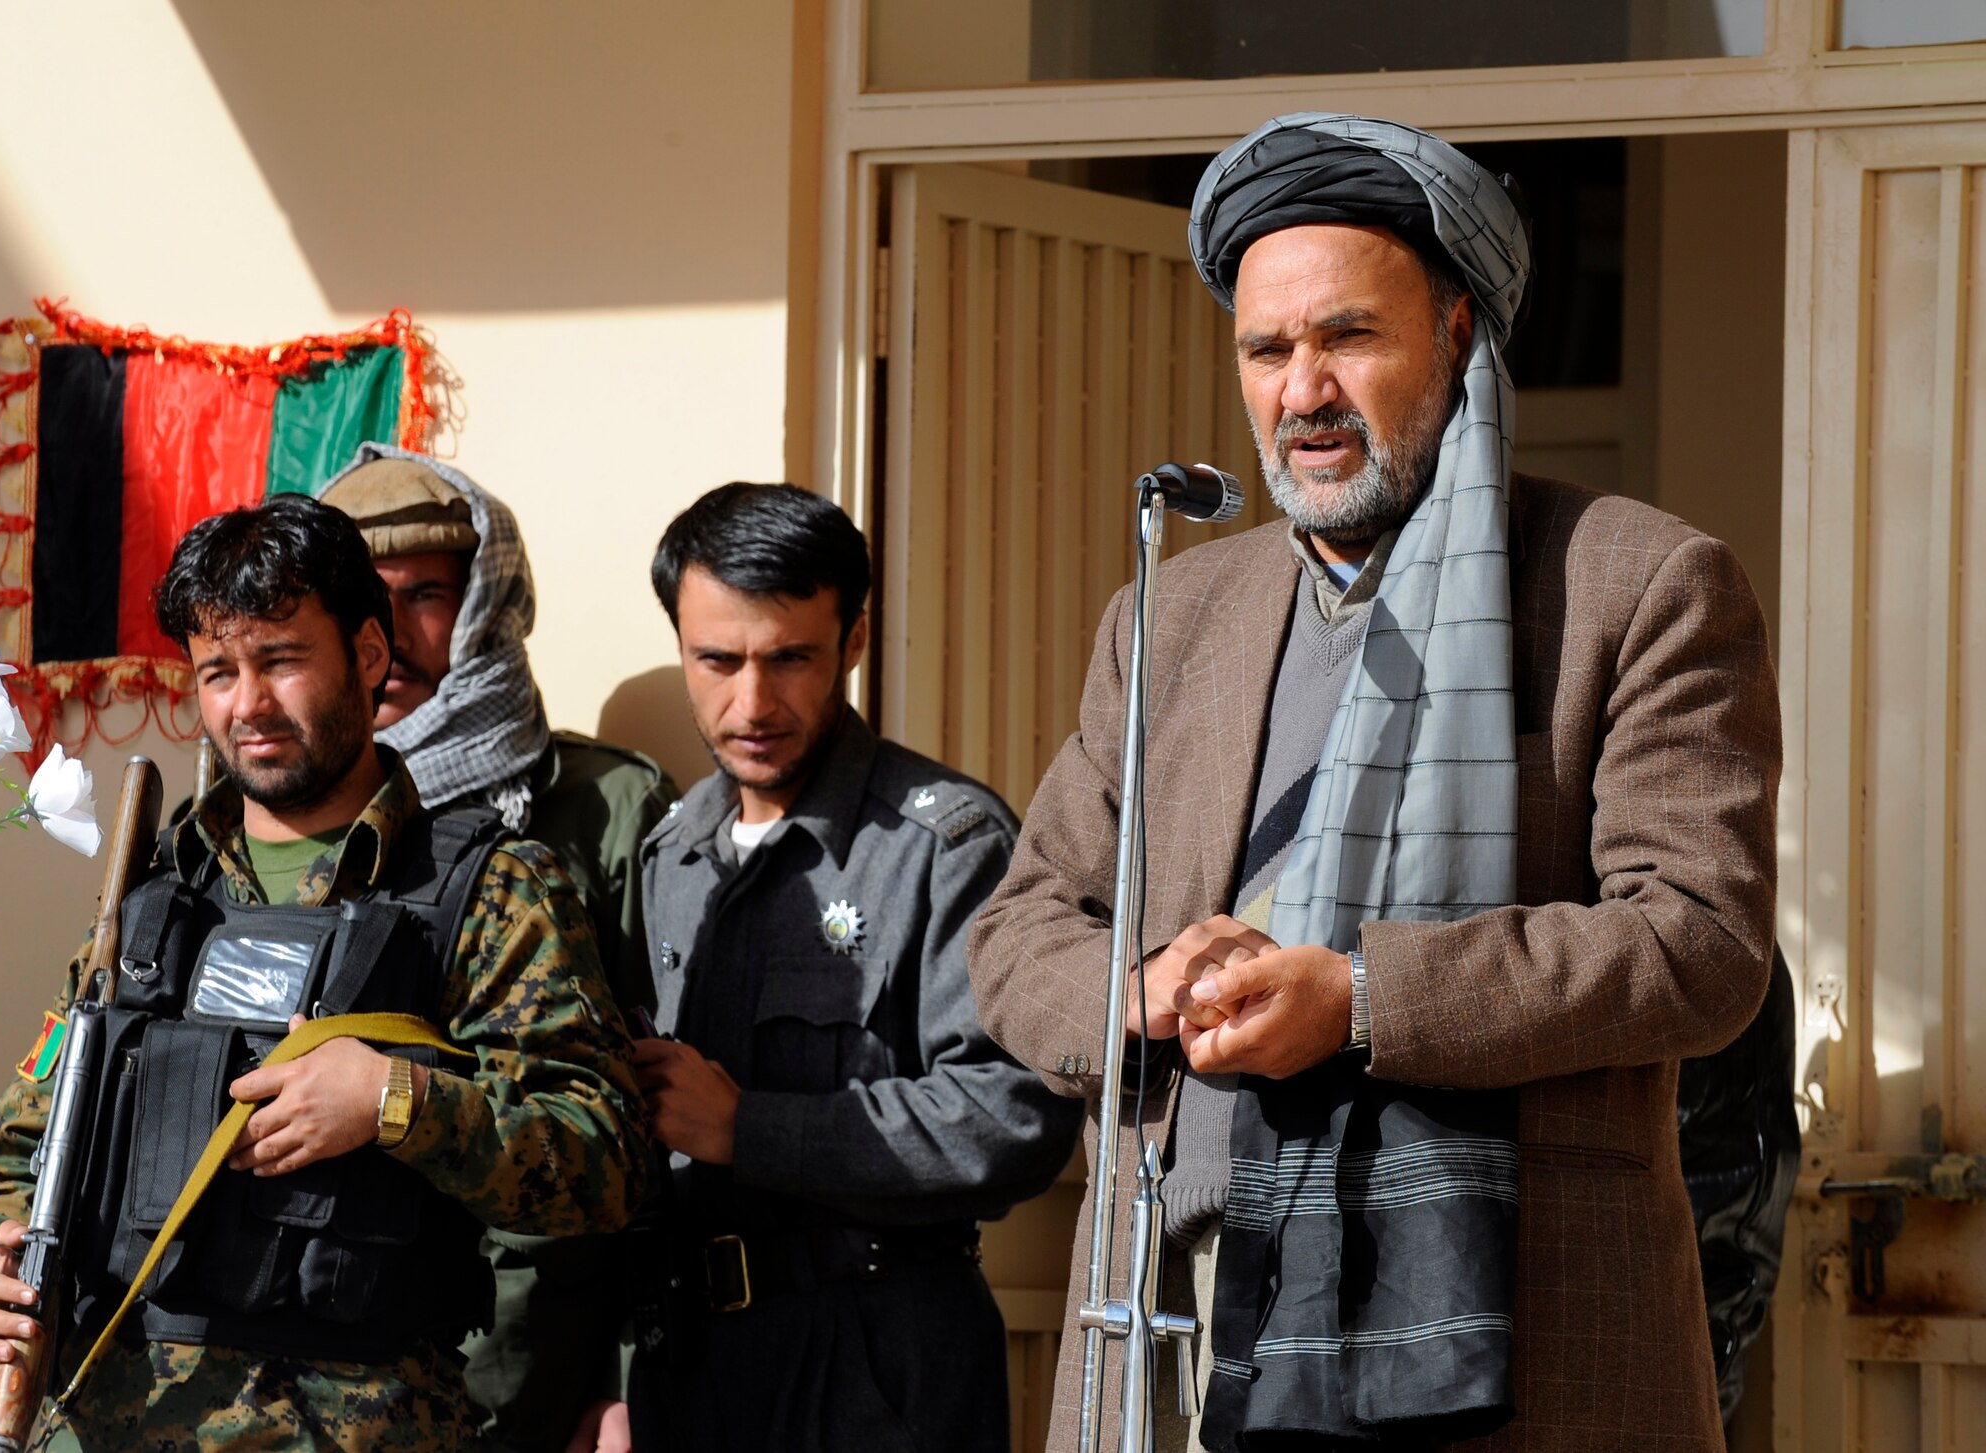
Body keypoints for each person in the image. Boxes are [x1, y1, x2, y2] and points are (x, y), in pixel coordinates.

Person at [967, 113, 1780, 1452]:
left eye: (1347, 336)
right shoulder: (1170, 614)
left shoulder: (1634, 585)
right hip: (1184, 1320)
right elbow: (1014, 936)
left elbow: (1699, 943)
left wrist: (1358, 1001)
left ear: (1461, 332)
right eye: (1266, 349)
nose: (1302, 389)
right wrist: (1155, 985)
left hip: (1506, 1323)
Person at [0, 493, 650, 1451]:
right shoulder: (148, 902)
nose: (246, 703)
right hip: (104, 1418)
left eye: (281, 660)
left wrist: (398, 1101)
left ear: (370, 657)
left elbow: (606, 1162)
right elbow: (20, 1144)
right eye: (218, 670)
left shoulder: (491, 890)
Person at [604, 482, 1083, 1452]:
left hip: (875, 1369)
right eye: (716, 660)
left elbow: (1014, 1117)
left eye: (789, 658)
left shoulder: (941, 843)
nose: (751, 702)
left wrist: (749, 1127)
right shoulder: (670, 853)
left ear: (852, 640)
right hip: (685, 1371)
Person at [319, 444, 677, 1452]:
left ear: (491, 602)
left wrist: (622, 1385)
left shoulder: (602, 804)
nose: (388, 630)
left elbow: (653, 1117)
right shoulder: (266, 817)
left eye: (427, 594)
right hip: (322, 1359)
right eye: (356, 595)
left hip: (529, 1359)